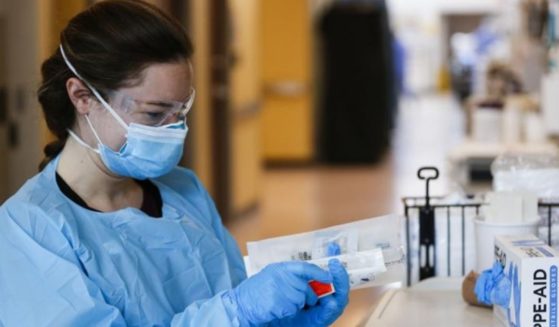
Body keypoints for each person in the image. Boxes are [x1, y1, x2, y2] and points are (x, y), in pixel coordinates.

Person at [0, 1, 349, 326]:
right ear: (81, 97)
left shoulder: (183, 191)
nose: (173, 131)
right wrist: (235, 312)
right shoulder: (29, 230)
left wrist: (279, 318)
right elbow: (229, 311)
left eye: (179, 113)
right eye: (153, 114)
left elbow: (232, 301)